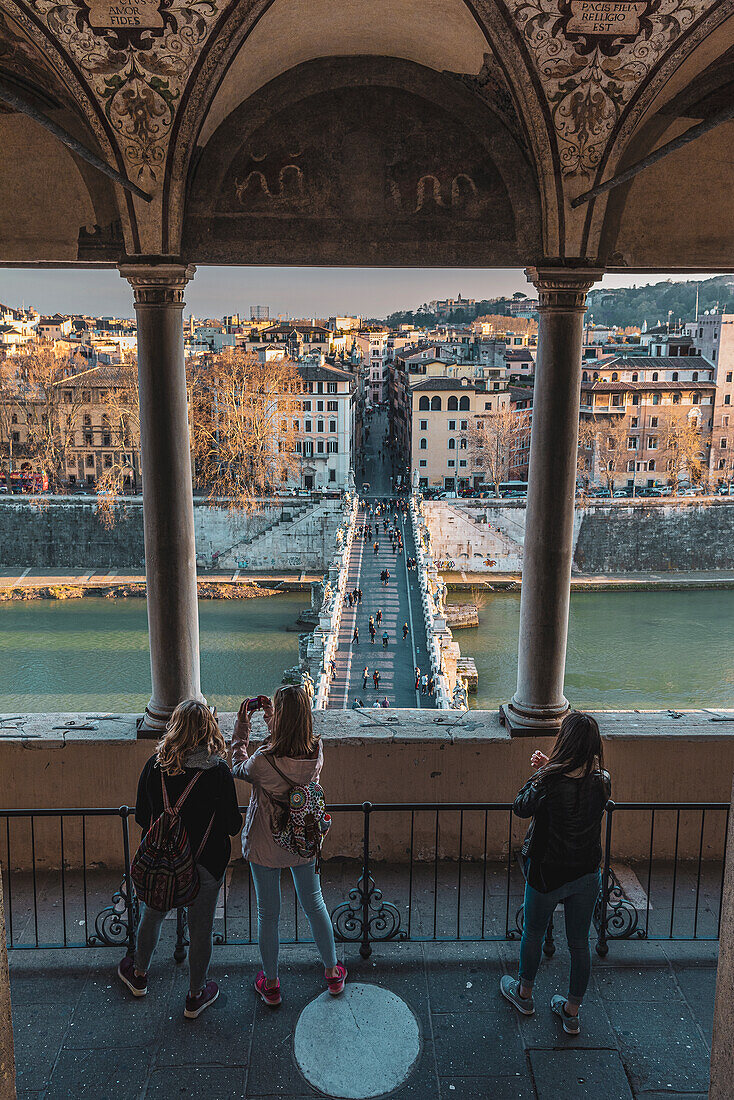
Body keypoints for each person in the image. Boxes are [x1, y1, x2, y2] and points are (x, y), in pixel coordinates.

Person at [118, 700, 242, 1018]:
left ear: (174, 728)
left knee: (153, 914)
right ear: (208, 731)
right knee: (201, 930)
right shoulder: (218, 773)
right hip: (207, 862)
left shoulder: (154, 766)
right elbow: (232, 826)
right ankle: (195, 994)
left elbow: (143, 816)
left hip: (163, 861)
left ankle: (139, 975)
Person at [231, 687, 347, 1006]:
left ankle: (270, 984)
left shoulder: (263, 761)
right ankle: (332, 972)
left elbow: (239, 766)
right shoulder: (315, 750)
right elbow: (289, 749)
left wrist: (242, 727)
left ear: (280, 716)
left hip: (266, 844)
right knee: (314, 903)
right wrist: (274, 720)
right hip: (302, 839)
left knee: (268, 914)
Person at [500, 712, 611, 1036]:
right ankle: (571, 1012)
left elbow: (521, 807)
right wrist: (552, 768)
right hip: (586, 871)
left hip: (547, 871)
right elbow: (576, 790)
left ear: (565, 742)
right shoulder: (603, 779)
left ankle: (524, 994)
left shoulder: (549, 781)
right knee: (579, 943)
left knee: (533, 933)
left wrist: (545, 771)